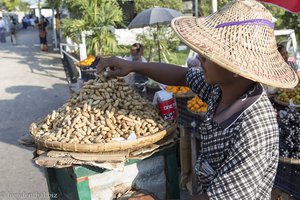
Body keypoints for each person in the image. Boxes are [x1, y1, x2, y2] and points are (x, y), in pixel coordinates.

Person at [97, 0, 298, 199]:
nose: (200, 55)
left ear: (237, 68)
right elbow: (183, 76)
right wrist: (133, 66)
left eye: (210, 52)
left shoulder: (254, 129)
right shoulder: (220, 89)